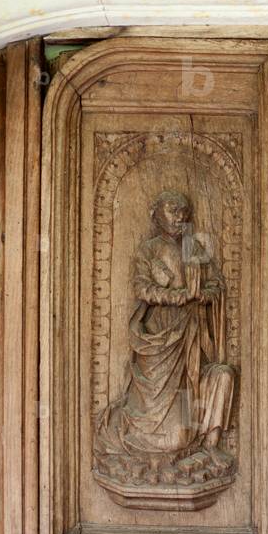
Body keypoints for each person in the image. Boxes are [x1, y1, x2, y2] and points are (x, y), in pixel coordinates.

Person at [95, 190, 236, 472]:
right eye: (173, 210)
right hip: (160, 338)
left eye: (184, 211)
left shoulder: (194, 250)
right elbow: (142, 288)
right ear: (156, 214)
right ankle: (148, 439)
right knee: (168, 429)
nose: (179, 216)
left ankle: (209, 445)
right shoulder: (148, 250)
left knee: (222, 376)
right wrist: (179, 296)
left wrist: (206, 294)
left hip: (192, 338)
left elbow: (216, 284)